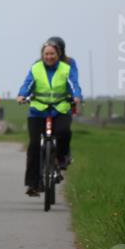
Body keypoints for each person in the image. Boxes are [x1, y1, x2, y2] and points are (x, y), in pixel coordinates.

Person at [16, 41, 83, 196]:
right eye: (46, 54)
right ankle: (33, 184)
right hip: (38, 111)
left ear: (58, 55)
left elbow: (74, 85)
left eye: (52, 53)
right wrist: (22, 95)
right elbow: (27, 84)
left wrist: (76, 96)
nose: (49, 57)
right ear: (42, 55)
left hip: (60, 109)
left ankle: (61, 158)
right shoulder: (36, 68)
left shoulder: (66, 69)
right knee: (34, 146)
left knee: (64, 132)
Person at [45, 36, 80, 166]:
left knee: (63, 131)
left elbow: (74, 80)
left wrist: (75, 96)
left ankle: (63, 155)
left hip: (64, 99)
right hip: (45, 100)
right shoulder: (43, 62)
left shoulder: (69, 62)